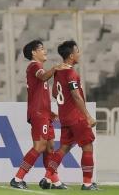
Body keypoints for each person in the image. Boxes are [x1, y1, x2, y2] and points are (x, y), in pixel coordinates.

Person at [10, 40, 69, 190]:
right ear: (33, 53)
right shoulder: (34, 66)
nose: (45, 51)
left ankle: (53, 181)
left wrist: (50, 112)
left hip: (44, 113)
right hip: (38, 114)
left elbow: (40, 94)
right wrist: (56, 68)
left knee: (49, 148)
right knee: (40, 146)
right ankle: (18, 178)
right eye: (41, 49)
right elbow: (43, 77)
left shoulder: (39, 67)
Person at [42, 40, 99, 190]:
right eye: (77, 51)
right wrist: (87, 116)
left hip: (65, 117)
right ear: (71, 55)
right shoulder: (71, 73)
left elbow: (55, 93)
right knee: (87, 146)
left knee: (63, 148)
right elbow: (76, 96)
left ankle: (47, 177)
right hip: (77, 117)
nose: (79, 54)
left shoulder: (59, 72)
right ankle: (87, 184)